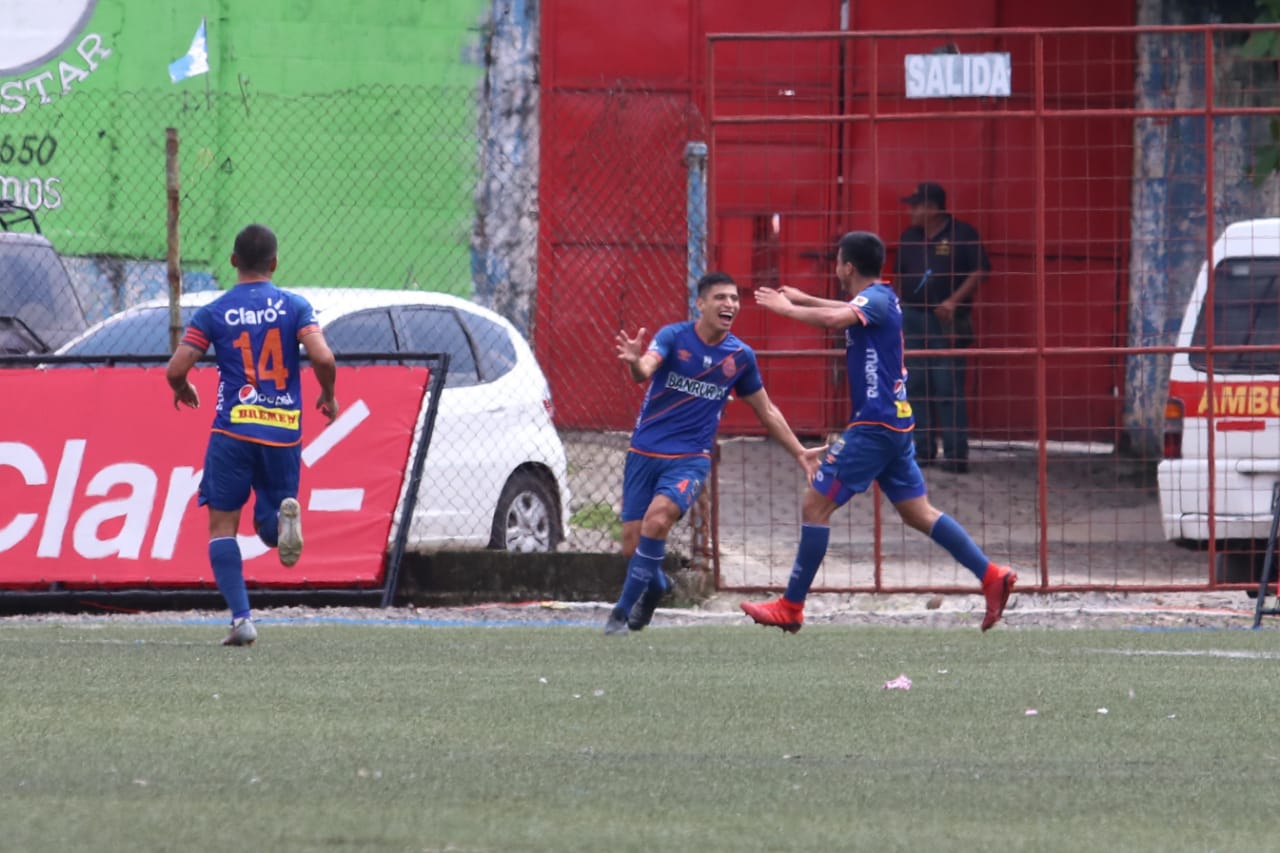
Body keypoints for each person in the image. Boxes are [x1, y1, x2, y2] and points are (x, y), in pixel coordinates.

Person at [741, 231, 1016, 633]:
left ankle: (791, 605)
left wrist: (787, 309)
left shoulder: (878, 298)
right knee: (918, 513)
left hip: (875, 426)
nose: (835, 268)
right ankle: (991, 575)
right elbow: (845, 309)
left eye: (837, 261)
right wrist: (803, 298)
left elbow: (838, 317)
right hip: (893, 426)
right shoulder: (877, 299)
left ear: (847, 267)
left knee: (815, 506)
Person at [605, 271, 824, 635]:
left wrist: (800, 452)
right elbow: (645, 369)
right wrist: (633, 360)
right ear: (701, 304)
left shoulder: (739, 357)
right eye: (721, 298)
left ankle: (620, 615)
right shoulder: (674, 337)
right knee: (632, 547)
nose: (730, 305)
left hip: (690, 458)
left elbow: (767, 411)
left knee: (656, 522)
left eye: (735, 299)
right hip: (643, 454)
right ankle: (657, 586)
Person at [166, 224, 339, 647]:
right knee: (270, 523)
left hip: (233, 428)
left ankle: (242, 619)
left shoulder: (215, 311)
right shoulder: (294, 306)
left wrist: (181, 387)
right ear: (274, 263)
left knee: (223, 526)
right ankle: (281, 524)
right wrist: (328, 396)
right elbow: (323, 356)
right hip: (282, 431)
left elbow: (175, 368)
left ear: (233, 261)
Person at [894, 182, 990, 473]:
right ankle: (922, 452)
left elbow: (979, 271)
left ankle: (956, 456)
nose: (911, 211)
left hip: (947, 321)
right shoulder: (910, 237)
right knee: (915, 387)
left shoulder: (962, 235)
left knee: (948, 388)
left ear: (933, 208)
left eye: (916, 205)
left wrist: (953, 301)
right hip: (912, 318)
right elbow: (900, 276)